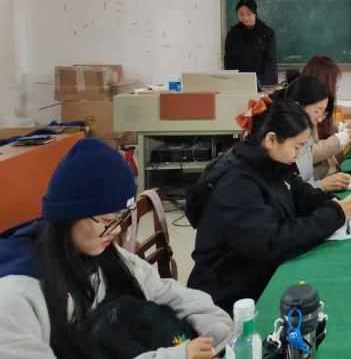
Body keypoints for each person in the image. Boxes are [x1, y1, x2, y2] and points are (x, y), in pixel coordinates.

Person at [0, 139, 231, 359]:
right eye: (107, 220)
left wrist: (216, 327)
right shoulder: (16, 295)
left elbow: (163, 291)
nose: (117, 230)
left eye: (121, 218)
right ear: (69, 214)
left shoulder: (101, 253)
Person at [187, 100, 351, 313]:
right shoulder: (237, 184)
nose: (300, 153)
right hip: (232, 298)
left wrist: (331, 202)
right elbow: (271, 244)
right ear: (271, 139)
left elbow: (302, 194)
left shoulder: (272, 164)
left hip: (260, 275)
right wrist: (333, 215)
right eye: (297, 146)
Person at [271, 72, 351, 191]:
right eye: (317, 111)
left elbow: (305, 181)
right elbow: (286, 191)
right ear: (297, 107)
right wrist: (321, 185)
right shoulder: (283, 139)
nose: (320, 119)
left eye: (323, 113)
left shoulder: (305, 133)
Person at [299, 55, 351, 181]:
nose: (335, 93)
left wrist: (341, 128)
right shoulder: (298, 114)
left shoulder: (313, 106)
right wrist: (340, 139)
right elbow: (307, 154)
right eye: (334, 88)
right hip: (318, 180)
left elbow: (320, 130)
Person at [223, 0, 277, 88]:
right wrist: (234, 79)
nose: (245, 17)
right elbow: (229, 60)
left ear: (255, 13)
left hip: (263, 82)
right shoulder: (233, 34)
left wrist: (263, 83)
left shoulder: (267, 32)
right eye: (241, 14)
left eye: (249, 14)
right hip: (239, 81)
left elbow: (270, 60)